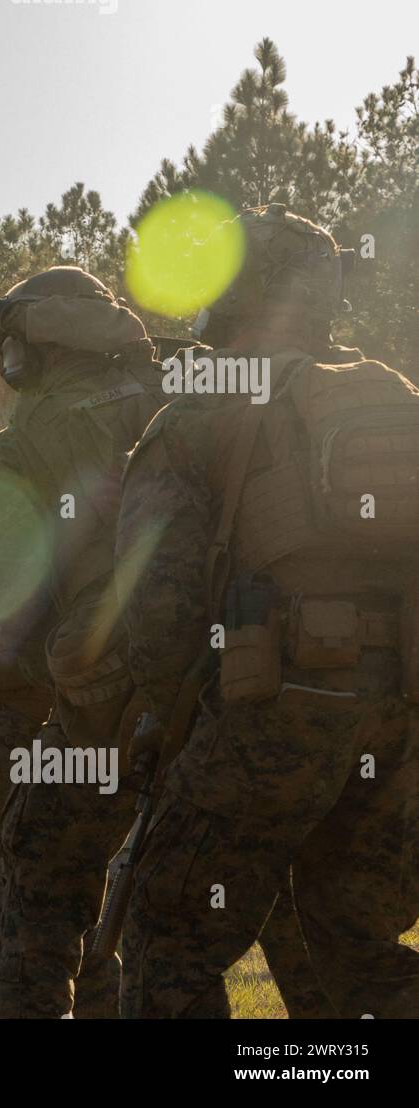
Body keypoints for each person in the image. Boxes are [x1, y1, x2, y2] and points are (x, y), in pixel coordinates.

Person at [117, 204, 419, 1018]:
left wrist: (172, 718)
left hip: (273, 707)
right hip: (399, 721)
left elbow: (161, 608)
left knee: (168, 934)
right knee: (359, 950)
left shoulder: (200, 412)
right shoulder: (392, 394)